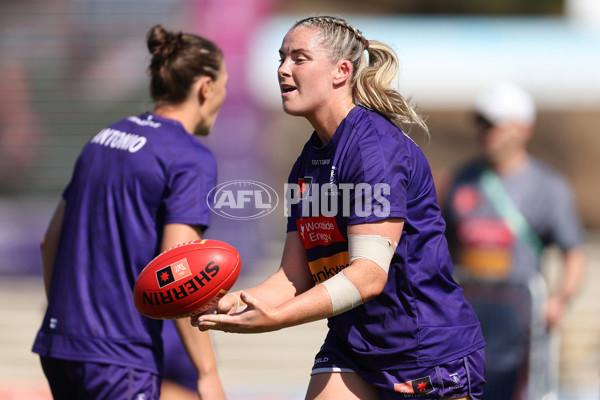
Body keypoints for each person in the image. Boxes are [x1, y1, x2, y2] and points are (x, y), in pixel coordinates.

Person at [193, 15, 486, 400]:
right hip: (353, 344)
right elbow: (294, 276)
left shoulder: (374, 150)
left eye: (299, 58)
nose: (282, 70)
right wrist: (239, 302)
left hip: (424, 351)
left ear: (341, 71)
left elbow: (368, 276)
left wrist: (277, 318)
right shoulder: (307, 161)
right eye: (281, 58)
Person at [32, 24, 228, 400]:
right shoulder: (189, 157)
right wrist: (207, 374)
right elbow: (177, 272)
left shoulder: (102, 138)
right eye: (224, 84)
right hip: (121, 355)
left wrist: (71, 322)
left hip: (60, 345)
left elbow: (48, 242)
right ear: (206, 87)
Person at [442, 82, 586, 399]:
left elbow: (574, 252)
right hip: (467, 328)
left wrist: (559, 301)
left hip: (521, 332)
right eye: (482, 123)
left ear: (523, 128)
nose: (486, 131)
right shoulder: (460, 180)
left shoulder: (548, 187)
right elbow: (441, 249)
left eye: (495, 124)